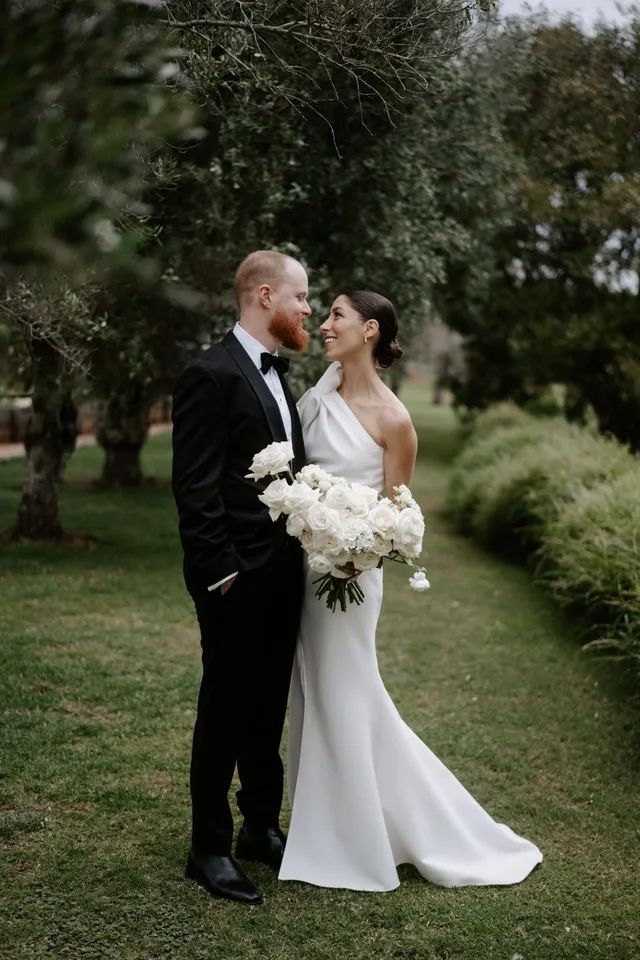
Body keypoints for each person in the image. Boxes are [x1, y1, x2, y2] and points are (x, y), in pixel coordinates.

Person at [278, 291, 543, 891]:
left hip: (349, 580)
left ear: (368, 330)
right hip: (302, 570)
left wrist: (356, 554)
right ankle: (327, 827)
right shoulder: (316, 398)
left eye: (336, 317)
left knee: (344, 696)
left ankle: (353, 843)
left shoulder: (395, 420)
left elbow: (398, 518)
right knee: (316, 695)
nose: (323, 325)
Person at [171, 250, 311, 905]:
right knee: (225, 708)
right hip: (234, 581)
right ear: (264, 295)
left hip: (285, 575)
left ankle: (260, 824)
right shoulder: (210, 374)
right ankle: (209, 847)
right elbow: (195, 488)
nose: (308, 309)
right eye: (302, 297)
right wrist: (221, 575)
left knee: (267, 706)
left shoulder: (280, 376)